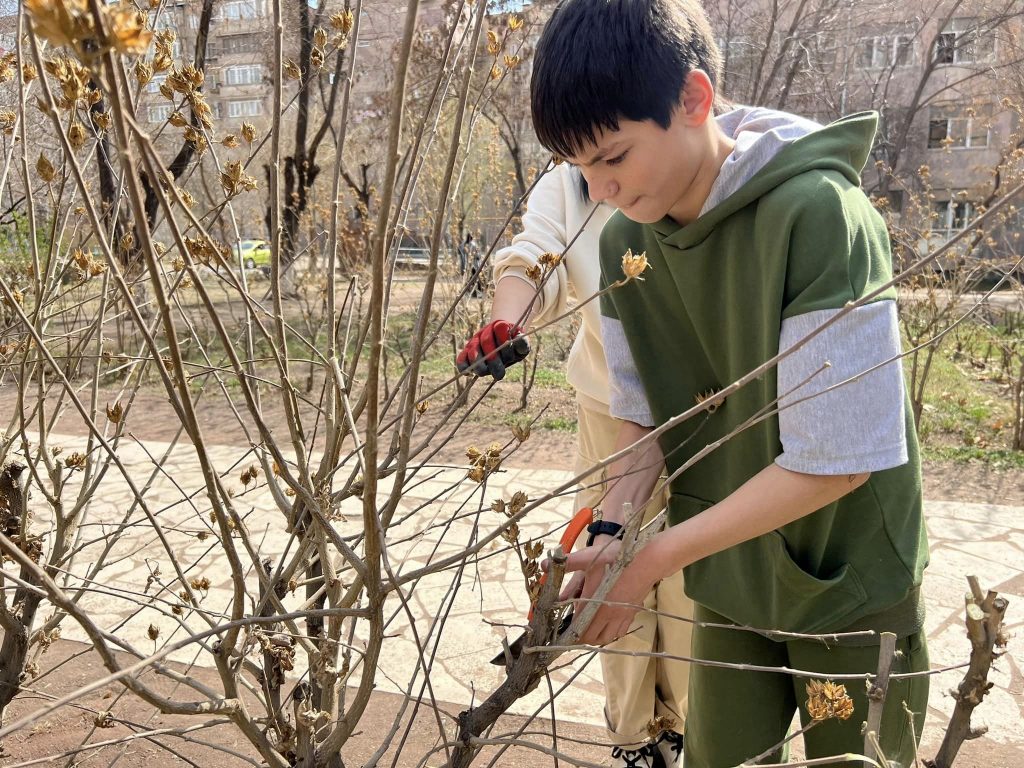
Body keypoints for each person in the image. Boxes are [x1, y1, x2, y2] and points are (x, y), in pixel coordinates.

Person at [528, 1, 930, 767]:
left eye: (614, 156)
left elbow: (837, 460)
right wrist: (611, 535)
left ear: (694, 99)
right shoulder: (625, 244)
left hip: (846, 580)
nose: (602, 189)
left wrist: (651, 561)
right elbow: (645, 419)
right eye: (581, 169)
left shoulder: (819, 216)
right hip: (729, 575)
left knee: (858, 757)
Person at [456, 163, 691, 767]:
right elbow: (534, 258)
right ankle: (635, 738)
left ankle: (689, 727)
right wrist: (507, 319)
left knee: (692, 579)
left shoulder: (702, 162)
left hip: (707, 401)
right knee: (607, 567)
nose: (600, 178)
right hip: (610, 402)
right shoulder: (569, 181)